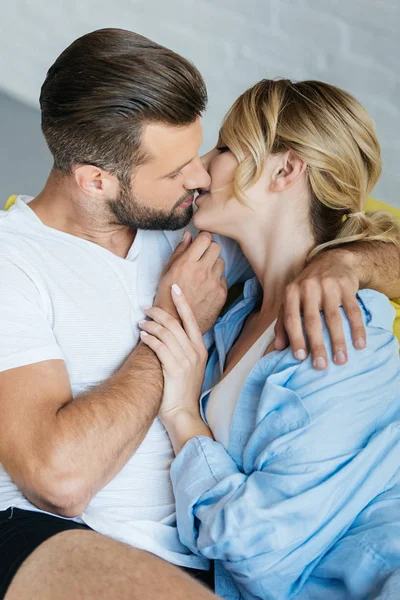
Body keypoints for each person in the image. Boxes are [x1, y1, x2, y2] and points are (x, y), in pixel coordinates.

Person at [0, 28, 399, 600]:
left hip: (220, 563)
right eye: (178, 168)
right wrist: (169, 337)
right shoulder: (15, 261)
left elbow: (322, 233)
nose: (199, 175)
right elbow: (59, 481)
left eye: (207, 151)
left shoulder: (207, 238)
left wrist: (348, 263)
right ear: (96, 180)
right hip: (59, 537)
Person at [139, 79, 400, 600]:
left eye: (224, 149)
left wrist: (183, 415)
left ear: (285, 170)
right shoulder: (242, 305)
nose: (200, 169)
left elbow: (262, 552)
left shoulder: (341, 334)